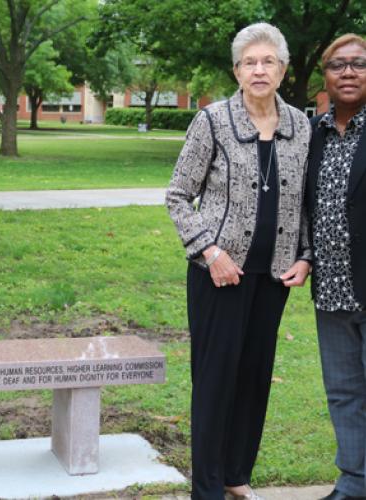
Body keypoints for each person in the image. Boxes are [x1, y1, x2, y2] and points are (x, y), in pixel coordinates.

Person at [166, 23, 312, 500]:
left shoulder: (300, 126)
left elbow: (304, 203)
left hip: (273, 278)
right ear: (236, 71)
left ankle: (235, 476)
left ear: (284, 70)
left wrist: (306, 257)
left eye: (268, 61)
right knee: (215, 380)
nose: (259, 69)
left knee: (252, 378)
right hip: (219, 277)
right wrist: (210, 252)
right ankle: (206, 488)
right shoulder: (212, 122)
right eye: (249, 62)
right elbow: (177, 196)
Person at [306, 34, 366, 500]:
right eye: (338, 65)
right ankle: (353, 482)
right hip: (332, 292)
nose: (348, 72)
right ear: (324, 75)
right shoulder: (315, 135)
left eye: (359, 64)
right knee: (344, 393)